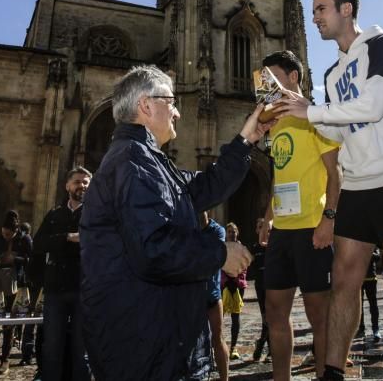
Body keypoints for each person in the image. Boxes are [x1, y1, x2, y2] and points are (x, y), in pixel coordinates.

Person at [274, 0, 383, 381]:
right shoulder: (333, 74)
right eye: (314, 11)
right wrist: (299, 118)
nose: (314, 17)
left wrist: (311, 112)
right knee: (344, 281)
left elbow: (374, 105)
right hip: (357, 184)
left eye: (321, 9)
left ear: (346, 9)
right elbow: (340, 131)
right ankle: (332, 372)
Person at [80, 65, 271, 381]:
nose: (179, 112)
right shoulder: (132, 162)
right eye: (171, 102)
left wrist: (247, 139)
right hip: (144, 347)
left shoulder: (146, 160)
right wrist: (220, 254)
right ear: (146, 106)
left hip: (156, 339)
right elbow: (154, 248)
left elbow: (205, 186)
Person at [260, 48, 340, 381]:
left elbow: (337, 176)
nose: (265, 84)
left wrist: (328, 221)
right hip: (282, 230)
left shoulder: (315, 117)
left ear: (293, 77)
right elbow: (280, 175)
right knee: (275, 312)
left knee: (318, 315)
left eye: (272, 77)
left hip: (312, 229)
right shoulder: (276, 124)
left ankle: (325, 375)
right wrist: (268, 217)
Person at [34, 166, 92, 381]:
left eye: (86, 182)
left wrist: (61, 242)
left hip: (83, 288)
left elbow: (97, 244)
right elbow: (38, 244)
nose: (82, 186)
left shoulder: (96, 214)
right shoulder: (54, 214)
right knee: (52, 347)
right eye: (77, 181)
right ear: (67, 185)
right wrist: (68, 237)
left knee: (81, 349)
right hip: (56, 288)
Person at [0, 210, 33, 375]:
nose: (5, 236)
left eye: (8, 234)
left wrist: (15, 259)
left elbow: (32, 259)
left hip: (14, 285)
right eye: (3, 233)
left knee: (8, 324)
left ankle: (4, 359)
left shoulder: (24, 239)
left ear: (15, 231)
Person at [204, 214, 229, 381]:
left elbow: (214, 257)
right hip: (190, 295)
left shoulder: (217, 230)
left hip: (212, 294)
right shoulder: (185, 227)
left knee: (218, 338)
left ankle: (224, 378)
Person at [221, 222, 248, 360]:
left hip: (238, 286)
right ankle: (219, 346)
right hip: (224, 285)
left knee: (235, 317)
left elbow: (244, 266)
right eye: (230, 231)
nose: (232, 233)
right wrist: (227, 280)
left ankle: (233, 347)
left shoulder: (242, 248)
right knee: (220, 317)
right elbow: (220, 265)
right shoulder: (222, 247)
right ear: (225, 233)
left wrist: (235, 280)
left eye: (234, 231)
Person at [248, 218, 269, 363]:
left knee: (272, 319)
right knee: (266, 319)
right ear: (256, 230)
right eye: (259, 227)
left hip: (273, 285)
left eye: (264, 226)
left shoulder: (273, 246)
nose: (262, 229)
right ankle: (261, 345)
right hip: (260, 286)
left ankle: (263, 348)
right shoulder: (254, 247)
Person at [358, 252, 380, 343]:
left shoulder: (372, 241)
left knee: (373, 305)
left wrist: (366, 249)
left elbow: (377, 257)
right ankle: (361, 328)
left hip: (371, 278)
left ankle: (376, 329)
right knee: (359, 306)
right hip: (358, 278)